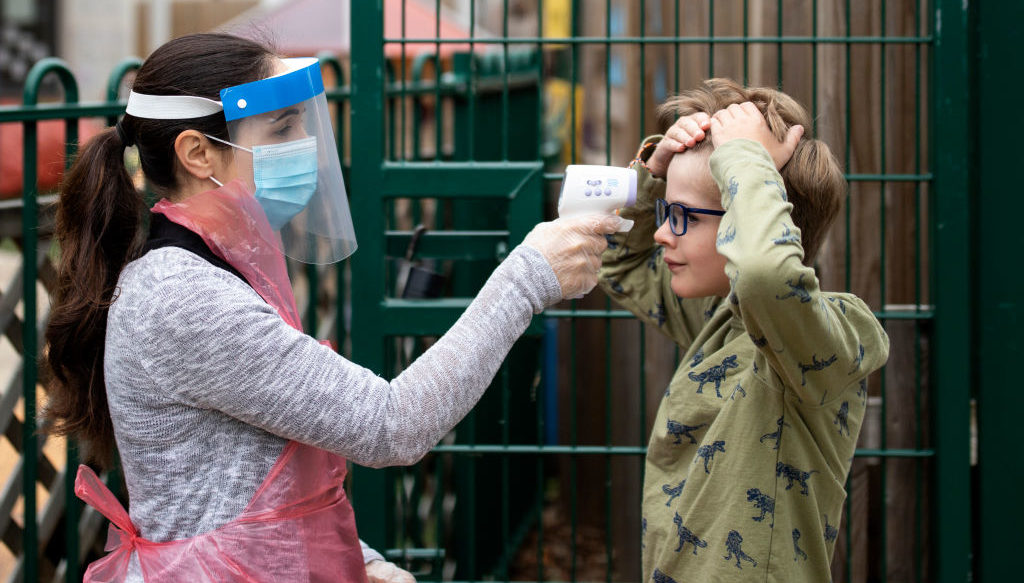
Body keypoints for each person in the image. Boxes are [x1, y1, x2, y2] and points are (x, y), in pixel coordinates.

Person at [42, 33, 622, 583]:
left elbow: (251, 482)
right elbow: (392, 425)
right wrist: (525, 280)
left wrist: (361, 561)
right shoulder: (183, 295)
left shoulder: (216, 267)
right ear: (198, 154)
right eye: (282, 127)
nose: (308, 146)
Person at [598, 78, 889, 581]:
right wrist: (655, 171)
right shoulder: (724, 319)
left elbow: (765, 273)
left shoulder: (827, 333)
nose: (664, 231)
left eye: (683, 215)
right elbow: (618, 265)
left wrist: (745, 162)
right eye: (665, 212)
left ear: (751, 217)